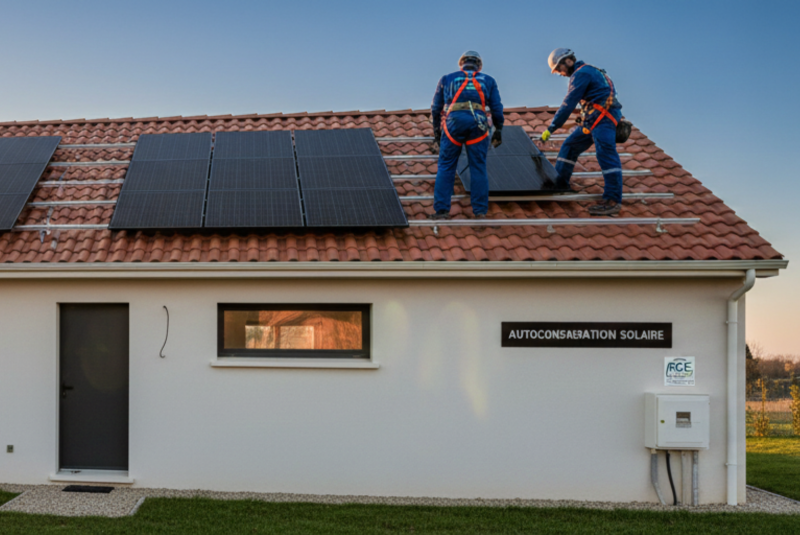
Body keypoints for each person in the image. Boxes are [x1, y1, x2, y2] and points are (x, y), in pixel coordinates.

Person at [540, 48, 623, 216]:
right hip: (594, 120)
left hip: (602, 119)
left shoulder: (581, 74)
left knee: (605, 154)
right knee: (570, 146)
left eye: (560, 69)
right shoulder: (591, 71)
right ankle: (560, 184)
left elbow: (568, 103)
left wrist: (552, 127)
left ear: (568, 61)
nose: (561, 73)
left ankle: (612, 200)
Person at [430, 51, 504, 220]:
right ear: (479, 65)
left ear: (461, 64)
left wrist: (437, 134)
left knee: (446, 166)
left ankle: (442, 210)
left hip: (453, 123)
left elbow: (435, 108)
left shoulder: (446, 79)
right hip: (478, 122)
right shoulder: (489, 80)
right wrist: (499, 130)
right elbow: (497, 109)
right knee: (478, 166)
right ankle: (480, 212)